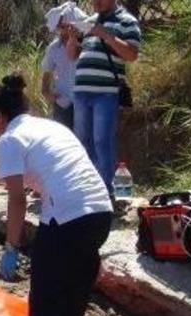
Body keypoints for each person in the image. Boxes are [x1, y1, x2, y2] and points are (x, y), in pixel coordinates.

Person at [0, 73, 112, 316]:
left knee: (44, 301)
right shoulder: (51, 127)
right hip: (100, 211)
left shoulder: (9, 139)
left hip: (68, 216)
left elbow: (16, 199)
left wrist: (11, 247)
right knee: (76, 283)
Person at [70, 0, 141, 194]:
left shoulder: (127, 21)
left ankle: (106, 190)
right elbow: (72, 55)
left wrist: (106, 35)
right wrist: (71, 37)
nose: (96, 3)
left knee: (102, 140)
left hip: (106, 92)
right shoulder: (89, 21)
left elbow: (132, 54)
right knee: (83, 140)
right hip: (81, 91)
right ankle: (89, 187)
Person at [42, 16, 79, 129]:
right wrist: (46, 92)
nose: (65, 29)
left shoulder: (87, 44)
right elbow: (46, 72)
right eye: (61, 26)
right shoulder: (53, 48)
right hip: (63, 102)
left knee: (84, 141)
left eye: (68, 26)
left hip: (83, 102)